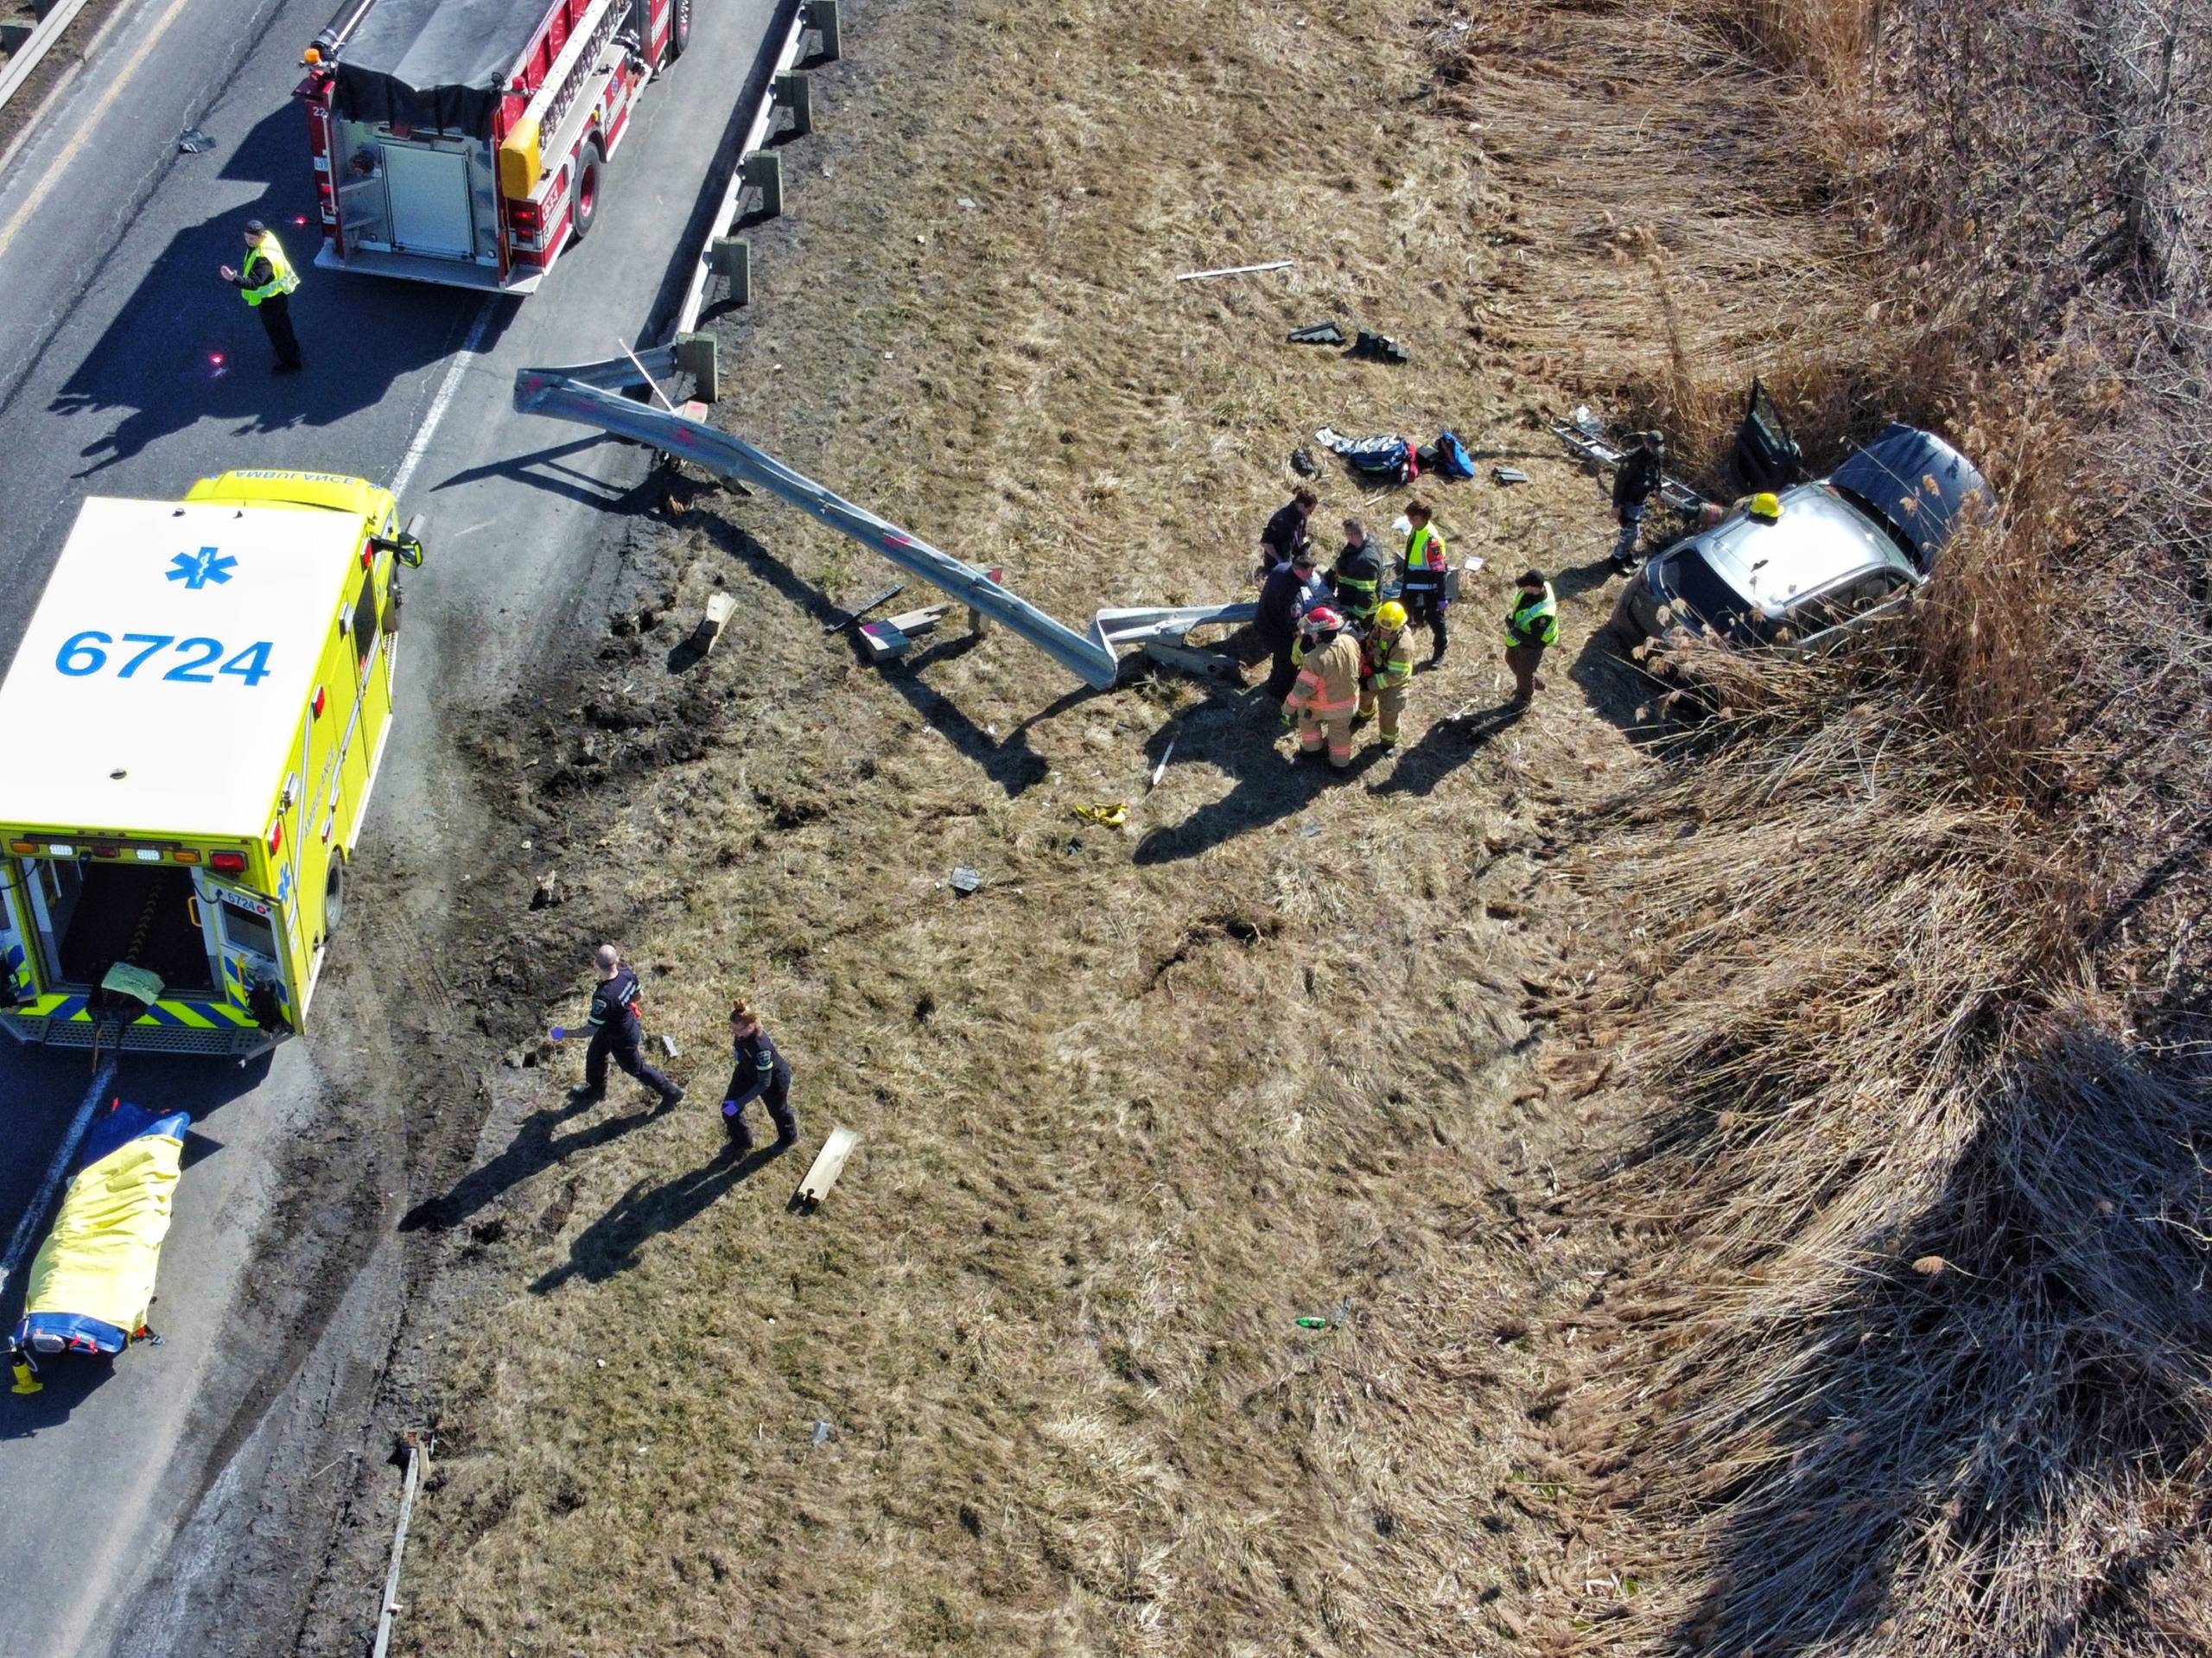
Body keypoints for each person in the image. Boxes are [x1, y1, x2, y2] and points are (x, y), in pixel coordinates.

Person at [572, 943, 682, 1107]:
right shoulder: (626, 974)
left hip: (622, 1037)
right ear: (617, 960)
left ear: (597, 965)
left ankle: (671, 1093)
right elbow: (639, 995)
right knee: (596, 1054)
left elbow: (589, 1030)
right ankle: (596, 1090)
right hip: (618, 1024)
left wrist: (563, 1033)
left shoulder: (603, 997)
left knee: (636, 1068)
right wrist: (622, 1005)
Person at [1283, 605, 1363, 769]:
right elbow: (1358, 667)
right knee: (1340, 733)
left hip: (1324, 706)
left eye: (1312, 631)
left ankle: (1313, 751)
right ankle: (1340, 765)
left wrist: (1287, 708)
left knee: (1306, 718)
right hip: (1349, 702)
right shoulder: (1350, 641)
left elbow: (1302, 690)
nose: (1309, 633)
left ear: (1319, 633)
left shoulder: (1314, 658)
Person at [219, 219, 303, 373]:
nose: (248, 241)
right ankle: (292, 348)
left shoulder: (263, 260)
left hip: (270, 301)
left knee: (276, 331)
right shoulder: (268, 238)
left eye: (252, 238)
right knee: (284, 324)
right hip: (279, 295)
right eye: (246, 237)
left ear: (261, 236)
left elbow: (253, 283)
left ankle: (291, 362)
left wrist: (233, 278)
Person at [722, 999, 798, 1151]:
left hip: (773, 1081)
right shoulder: (743, 1034)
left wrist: (739, 1103)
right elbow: (741, 1045)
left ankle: (788, 1138)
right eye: (733, 1029)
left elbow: (764, 1083)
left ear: (751, 1026)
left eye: (738, 1030)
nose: (735, 1034)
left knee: (778, 1111)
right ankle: (743, 1141)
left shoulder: (761, 1049)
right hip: (748, 1068)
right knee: (727, 1107)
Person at [1256, 547, 1327, 700]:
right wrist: (1309, 635)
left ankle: (1273, 680)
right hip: (1277, 630)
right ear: (1299, 571)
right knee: (1288, 662)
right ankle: (1280, 693)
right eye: (1308, 574)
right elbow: (1295, 627)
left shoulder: (1281, 568)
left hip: (1263, 619)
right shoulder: (1293, 595)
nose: (1310, 577)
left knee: (1279, 656)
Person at [1358, 600, 1417, 750]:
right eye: (1382, 627)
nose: (1384, 631)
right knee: (1364, 696)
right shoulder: (1378, 627)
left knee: (1389, 712)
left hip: (1395, 682)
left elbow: (1395, 675)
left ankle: (1388, 741)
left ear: (1399, 626)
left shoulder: (1404, 645)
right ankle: (1365, 714)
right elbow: (1371, 643)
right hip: (1376, 669)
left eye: (1388, 629)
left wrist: (1369, 683)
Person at [1399, 499, 1451, 664]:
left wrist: (1442, 597)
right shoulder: (1416, 530)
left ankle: (1440, 650)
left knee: (1434, 618)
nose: (1410, 522)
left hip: (1430, 585)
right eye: (1409, 518)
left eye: (1413, 518)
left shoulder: (1432, 540)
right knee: (1402, 615)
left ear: (1422, 518)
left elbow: (1439, 570)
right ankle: (1400, 649)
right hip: (1412, 583)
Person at [1503, 569, 1559, 708]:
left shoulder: (1544, 613)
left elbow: (1534, 641)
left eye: (1525, 585)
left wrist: (1513, 628)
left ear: (1534, 588)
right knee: (1510, 659)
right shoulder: (1537, 588)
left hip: (1533, 645)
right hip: (1518, 635)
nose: (1521, 588)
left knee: (1525, 672)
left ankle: (1523, 699)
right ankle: (1530, 680)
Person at [1611, 430, 1665, 571]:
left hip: (1641, 498)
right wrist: (1616, 506)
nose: (1656, 451)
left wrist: (1658, 490)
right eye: (1653, 448)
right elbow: (1620, 483)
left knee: (1634, 532)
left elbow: (1657, 473)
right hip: (1628, 499)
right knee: (1629, 531)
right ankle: (1617, 559)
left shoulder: (1654, 455)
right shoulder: (1633, 459)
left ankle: (1626, 555)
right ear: (1646, 443)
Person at [1327, 518, 1384, 626]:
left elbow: (1366, 594)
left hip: (1359, 611)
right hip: (1348, 601)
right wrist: (1331, 573)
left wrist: (1354, 618)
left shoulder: (1366, 561)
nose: (1346, 537)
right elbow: (1343, 561)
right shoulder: (1363, 544)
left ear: (1352, 535)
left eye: (1346, 534)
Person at [1257, 487, 1318, 578]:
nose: (1310, 514)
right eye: (1309, 511)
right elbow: (1265, 543)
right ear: (1301, 505)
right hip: (1277, 567)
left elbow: (1303, 534)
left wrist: (1305, 547)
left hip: (1295, 562)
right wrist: (1280, 561)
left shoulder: (1301, 516)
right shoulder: (1281, 520)